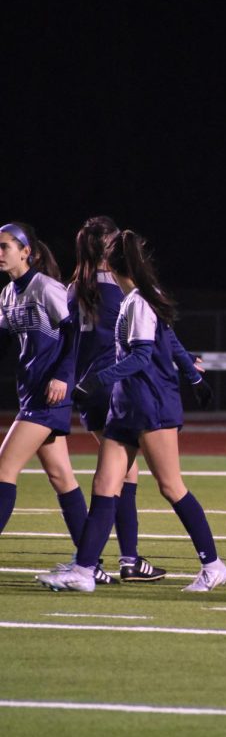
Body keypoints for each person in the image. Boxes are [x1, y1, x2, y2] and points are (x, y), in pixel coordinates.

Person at [37, 227, 226, 594]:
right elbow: (169, 340)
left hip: (150, 404)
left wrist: (95, 380)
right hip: (124, 407)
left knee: (171, 486)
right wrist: (193, 376)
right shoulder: (132, 299)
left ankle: (213, 564)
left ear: (111, 262)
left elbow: (142, 357)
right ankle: (83, 570)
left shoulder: (138, 302)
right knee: (105, 485)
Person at [0, 221, 88, 558]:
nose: (0, 253)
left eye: (5, 246)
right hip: (32, 393)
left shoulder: (46, 287)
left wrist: (63, 377)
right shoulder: (8, 294)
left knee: (4, 470)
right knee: (61, 476)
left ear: (26, 252)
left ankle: (88, 561)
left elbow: (73, 333)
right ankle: (89, 561)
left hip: (48, 395)